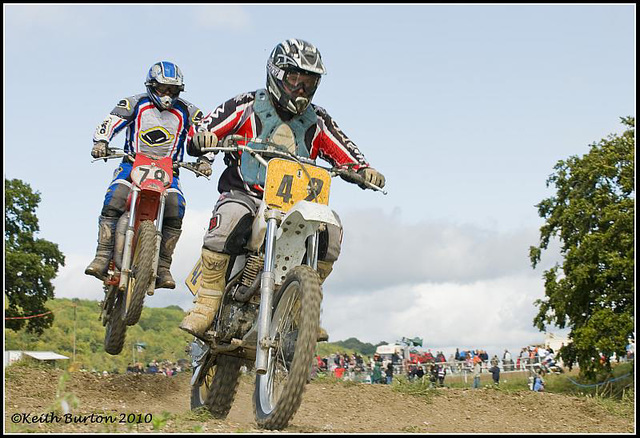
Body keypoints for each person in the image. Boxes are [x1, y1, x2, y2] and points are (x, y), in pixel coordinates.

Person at [179, 39, 385, 338]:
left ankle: (304, 306)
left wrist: (362, 169)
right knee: (230, 219)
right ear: (276, 74)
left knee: (332, 231)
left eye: (309, 83)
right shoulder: (247, 105)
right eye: (294, 80)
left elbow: (344, 149)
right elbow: (207, 127)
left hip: (297, 204)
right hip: (246, 193)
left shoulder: (317, 119)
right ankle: (206, 303)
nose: (301, 90)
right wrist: (203, 138)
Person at [85, 61, 209, 289]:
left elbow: (205, 134)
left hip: (168, 170)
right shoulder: (134, 103)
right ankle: (102, 255)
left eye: (172, 90)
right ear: (151, 85)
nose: (167, 95)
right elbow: (110, 122)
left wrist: (205, 160)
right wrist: (101, 142)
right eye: (162, 89)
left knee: (176, 207)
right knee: (115, 197)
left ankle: (163, 266)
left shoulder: (189, 111)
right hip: (132, 164)